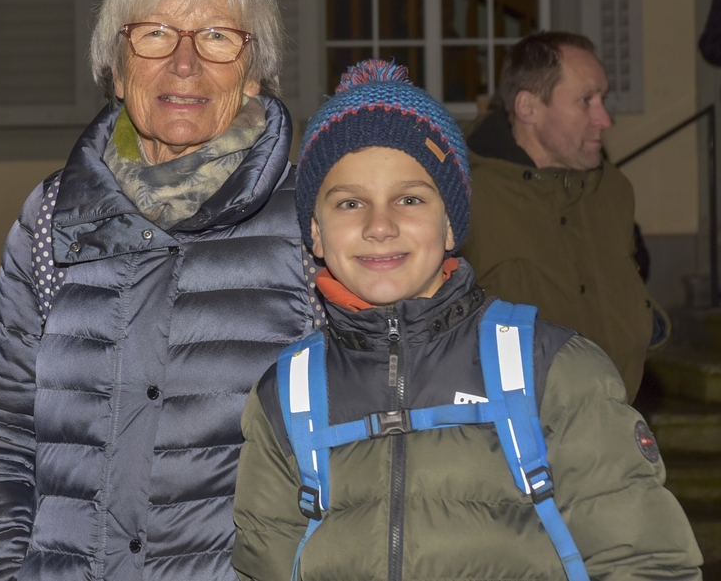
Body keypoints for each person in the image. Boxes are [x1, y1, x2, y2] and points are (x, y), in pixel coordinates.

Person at [231, 60, 702, 581]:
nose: (379, 226)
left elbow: (646, 563)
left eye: (409, 199)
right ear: (316, 234)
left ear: (452, 221)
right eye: (349, 203)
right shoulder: (286, 395)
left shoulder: (555, 373)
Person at [0, 0, 318, 580]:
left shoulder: (309, 226)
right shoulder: (52, 218)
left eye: (216, 36)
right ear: (117, 70)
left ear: (255, 73)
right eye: (154, 34)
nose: (184, 63)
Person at [459, 32, 667, 402]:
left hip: (614, 427)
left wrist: (647, 324)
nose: (605, 119)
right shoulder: (464, 197)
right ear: (528, 108)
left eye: (603, 99)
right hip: (515, 446)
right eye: (586, 101)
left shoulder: (612, 189)